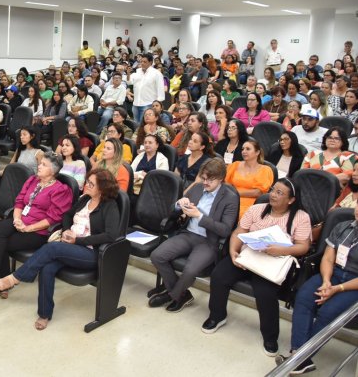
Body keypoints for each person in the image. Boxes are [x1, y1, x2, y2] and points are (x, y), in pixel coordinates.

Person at [0, 170, 123, 329]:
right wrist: (67, 230)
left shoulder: (110, 206)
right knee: (47, 267)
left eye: (91, 184)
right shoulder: (85, 199)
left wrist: (78, 240)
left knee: (52, 248)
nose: (86, 185)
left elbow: (110, 235)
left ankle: (13, 279)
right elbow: (67, 216)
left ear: (102, 189)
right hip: (69, 246)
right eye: (87, 181)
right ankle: (44, 314)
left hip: (91, 253)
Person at [203, 179, 311, 357]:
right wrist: (233, 250)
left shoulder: (301, 217)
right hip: (249, 255)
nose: (273, 195)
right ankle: (217, 315)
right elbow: (239, 231)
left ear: (291, 200)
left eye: (279, 193)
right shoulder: (256, 209)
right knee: (219, 276)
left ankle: (270, 336)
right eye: (273, 190)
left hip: (273, 262)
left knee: (265, 293)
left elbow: (303, 247)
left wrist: (282, 250)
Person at [277, 202, 358, 374]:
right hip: (332, 272)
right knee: (304, 298)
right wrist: (327, 281)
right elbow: (328, 258)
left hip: (353, 284)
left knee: (328, 312)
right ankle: (299, 356)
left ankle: (298, 358)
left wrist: (338, 288)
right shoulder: (344, 227)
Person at [149, 158, 239, 313]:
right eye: (203, 178)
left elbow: (225, 230)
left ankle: (172, 295)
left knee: (190, 270)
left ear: (221, 179)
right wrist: (179, 205)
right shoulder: (197, 188)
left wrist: (199, 216)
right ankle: (181, 294)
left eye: (210, 180)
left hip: (209, 241)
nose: (205, 182)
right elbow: (172, 210)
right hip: (188, 234)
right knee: (157, 255)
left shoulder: (230, 197)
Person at [0, 153, 73, 295]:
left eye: (44, 165)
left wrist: (28, 228)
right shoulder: (33, 180)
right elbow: (20, 201)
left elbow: (52, 219)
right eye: (40, 163)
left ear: (53, 171)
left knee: (2, 243)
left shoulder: (61, 190)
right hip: (21, 221)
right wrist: (17, 219)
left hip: (38, 231)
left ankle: (1, 281)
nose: (39, 166)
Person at [226, 139, 274, 219]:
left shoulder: (265, 170)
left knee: (239, 215)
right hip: (230, 199)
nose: (244, 151)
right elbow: (226, 185)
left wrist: (235, 193)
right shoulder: (234, 165)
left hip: (251, 204)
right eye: (243, 149)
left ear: (257, 152)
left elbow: (258, 193)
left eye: (248, 149)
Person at [128, 53, 165, 121]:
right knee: (136, 126)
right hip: (136, 103)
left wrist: (157, 105)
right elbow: (129, 82)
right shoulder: (137, 72)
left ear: (150, 62)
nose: (142, 63)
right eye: (141, 61)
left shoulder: (156, 73)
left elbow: (160, 89)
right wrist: (128, 73)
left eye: (145, 62)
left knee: (145, 125)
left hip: (148, 104)